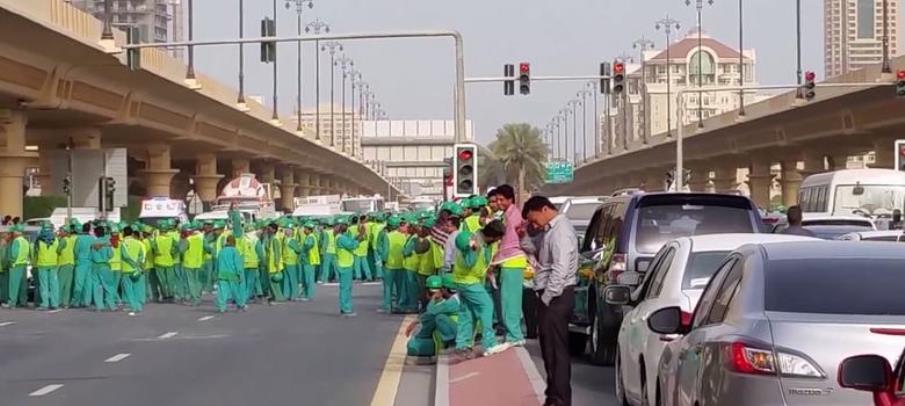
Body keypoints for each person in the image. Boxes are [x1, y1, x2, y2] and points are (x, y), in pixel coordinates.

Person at [523, 196, 579, 406]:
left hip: (557, 296)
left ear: (545, 209)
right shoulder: (550, 231)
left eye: (534, 219)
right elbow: (534, 251)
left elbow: (560, 268)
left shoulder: (561, 231)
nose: (534, 224)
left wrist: (547, 297)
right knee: (549, 351)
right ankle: (553, 395)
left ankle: (561, 399)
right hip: (550, 294)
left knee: (556, 352)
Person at [452, 220, 509, 360]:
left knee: (467, 313)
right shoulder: (475, 243)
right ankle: (489, 343)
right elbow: (469, 262)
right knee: (487, 306)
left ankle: (462, 345)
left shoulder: (478, 238)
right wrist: (473, 249)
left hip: (464, 280)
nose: (499, 241)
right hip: (469, 282)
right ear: (492, 236)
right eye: (498, 238)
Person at [490, 184, 529, 347]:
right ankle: (512, 333)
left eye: (501, 199)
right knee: (508, 300)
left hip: (513, 261)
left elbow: (507, 238)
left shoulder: (512, 216)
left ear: (510, 199)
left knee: (510, 301)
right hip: (508, 262)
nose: (498, 202)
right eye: (497, 199)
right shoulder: (508, 214)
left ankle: (514, 335)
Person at [405, 274, 461, 358]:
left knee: (413, 346)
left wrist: (433, 299)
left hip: (457, 333)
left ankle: (452, 344)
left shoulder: (451, 303)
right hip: (462, 331)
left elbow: (431, 311)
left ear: (444, 289)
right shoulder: (456, 299)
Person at [33, 222, 63, 310]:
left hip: (42, 265)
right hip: (53, 265)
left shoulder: (38, 241)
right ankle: (54, 304)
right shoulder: (56, 240)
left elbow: (36, 253)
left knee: (44, 286)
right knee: (54, 285)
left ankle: (45, 304)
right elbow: (59, 251)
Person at [334, 218, 359, 316]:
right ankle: (346, 309)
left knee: (346, 287)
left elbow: (350, 242)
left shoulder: (341, 237)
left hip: (344, 264)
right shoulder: (341, 238)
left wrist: (355, 238)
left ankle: (345, 307)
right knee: (346, 288)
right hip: (345, 265)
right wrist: (358, 241)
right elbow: (351, 245)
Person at [216, 235, 247, 312]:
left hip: (222, 274)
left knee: (222, 292)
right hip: (233, 274)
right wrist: (240, 274)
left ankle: (222, 307)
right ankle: (240, 305)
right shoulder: (235, 251)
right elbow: (237, 264)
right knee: (236, 291)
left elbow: (217, 264)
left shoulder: (221, 251)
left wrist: (216, 273)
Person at [120, 226, 146, 315]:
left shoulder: (122, 243)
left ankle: (134, 307)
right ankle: (138, 306)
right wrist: (137, 265)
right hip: (136, 270)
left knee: (128, 290)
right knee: (136, 289)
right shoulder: (138, 243)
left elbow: (125, 256)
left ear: (123, 233)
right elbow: (142, 256)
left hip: (126, 269)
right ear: (132, 233)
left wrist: (132, 263)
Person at [383, 216, 407, 313]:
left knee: (388, 287)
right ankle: (399, 305)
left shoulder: (387, 236)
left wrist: (383, 261)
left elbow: (385, 251)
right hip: (401, 264)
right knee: (400, 288)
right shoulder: (403, 236)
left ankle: (388, 307)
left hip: (390, 265)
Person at [91, 225, 116, 312]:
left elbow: (90, 255)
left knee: (96, 286)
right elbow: (111, 255)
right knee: (109, 286)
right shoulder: (107, 243)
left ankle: (99, 306)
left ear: (95, 233)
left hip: (95, 266)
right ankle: (111, 305)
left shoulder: (93, 242)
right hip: (105, 266)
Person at [5, 224, 29, 308]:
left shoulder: (16, 241)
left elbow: (14, 254)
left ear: (16, 232)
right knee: (23, 285)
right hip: (24, 265)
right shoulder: (25, 241)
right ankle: (23, 302)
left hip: (16, 265)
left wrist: (11, 261)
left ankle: (12, 303)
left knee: (13, 285)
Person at [73, 222, 95, 307]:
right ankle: (87, 301)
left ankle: (76, 302)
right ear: (89, 229)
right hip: (89, 262)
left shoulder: (79, 239)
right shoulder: (92, 239)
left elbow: (75, 251)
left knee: (79, 283)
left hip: (81, 262)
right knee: (88, 283)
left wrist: (77, 258)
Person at [58, 221, 77, 309]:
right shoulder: (70, 240)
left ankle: (58, 301)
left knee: (61, 284)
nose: (59, 233)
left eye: (61, 231)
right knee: (67, 285)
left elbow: (58, 250)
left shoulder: (63, 240)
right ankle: (66, 302)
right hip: (71, 263)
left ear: (65, 232)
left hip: (64, 263)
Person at [299, 221, 320, 300]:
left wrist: (302, 247)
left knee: (309, 279)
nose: (304, 230)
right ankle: (305, 294)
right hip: (307, 260)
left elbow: (309, 245)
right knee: (305, 278)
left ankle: (309, 295)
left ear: (309, 230)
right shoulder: (309, 236)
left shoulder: (311, 237)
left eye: (305, 229)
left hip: (310, 260)